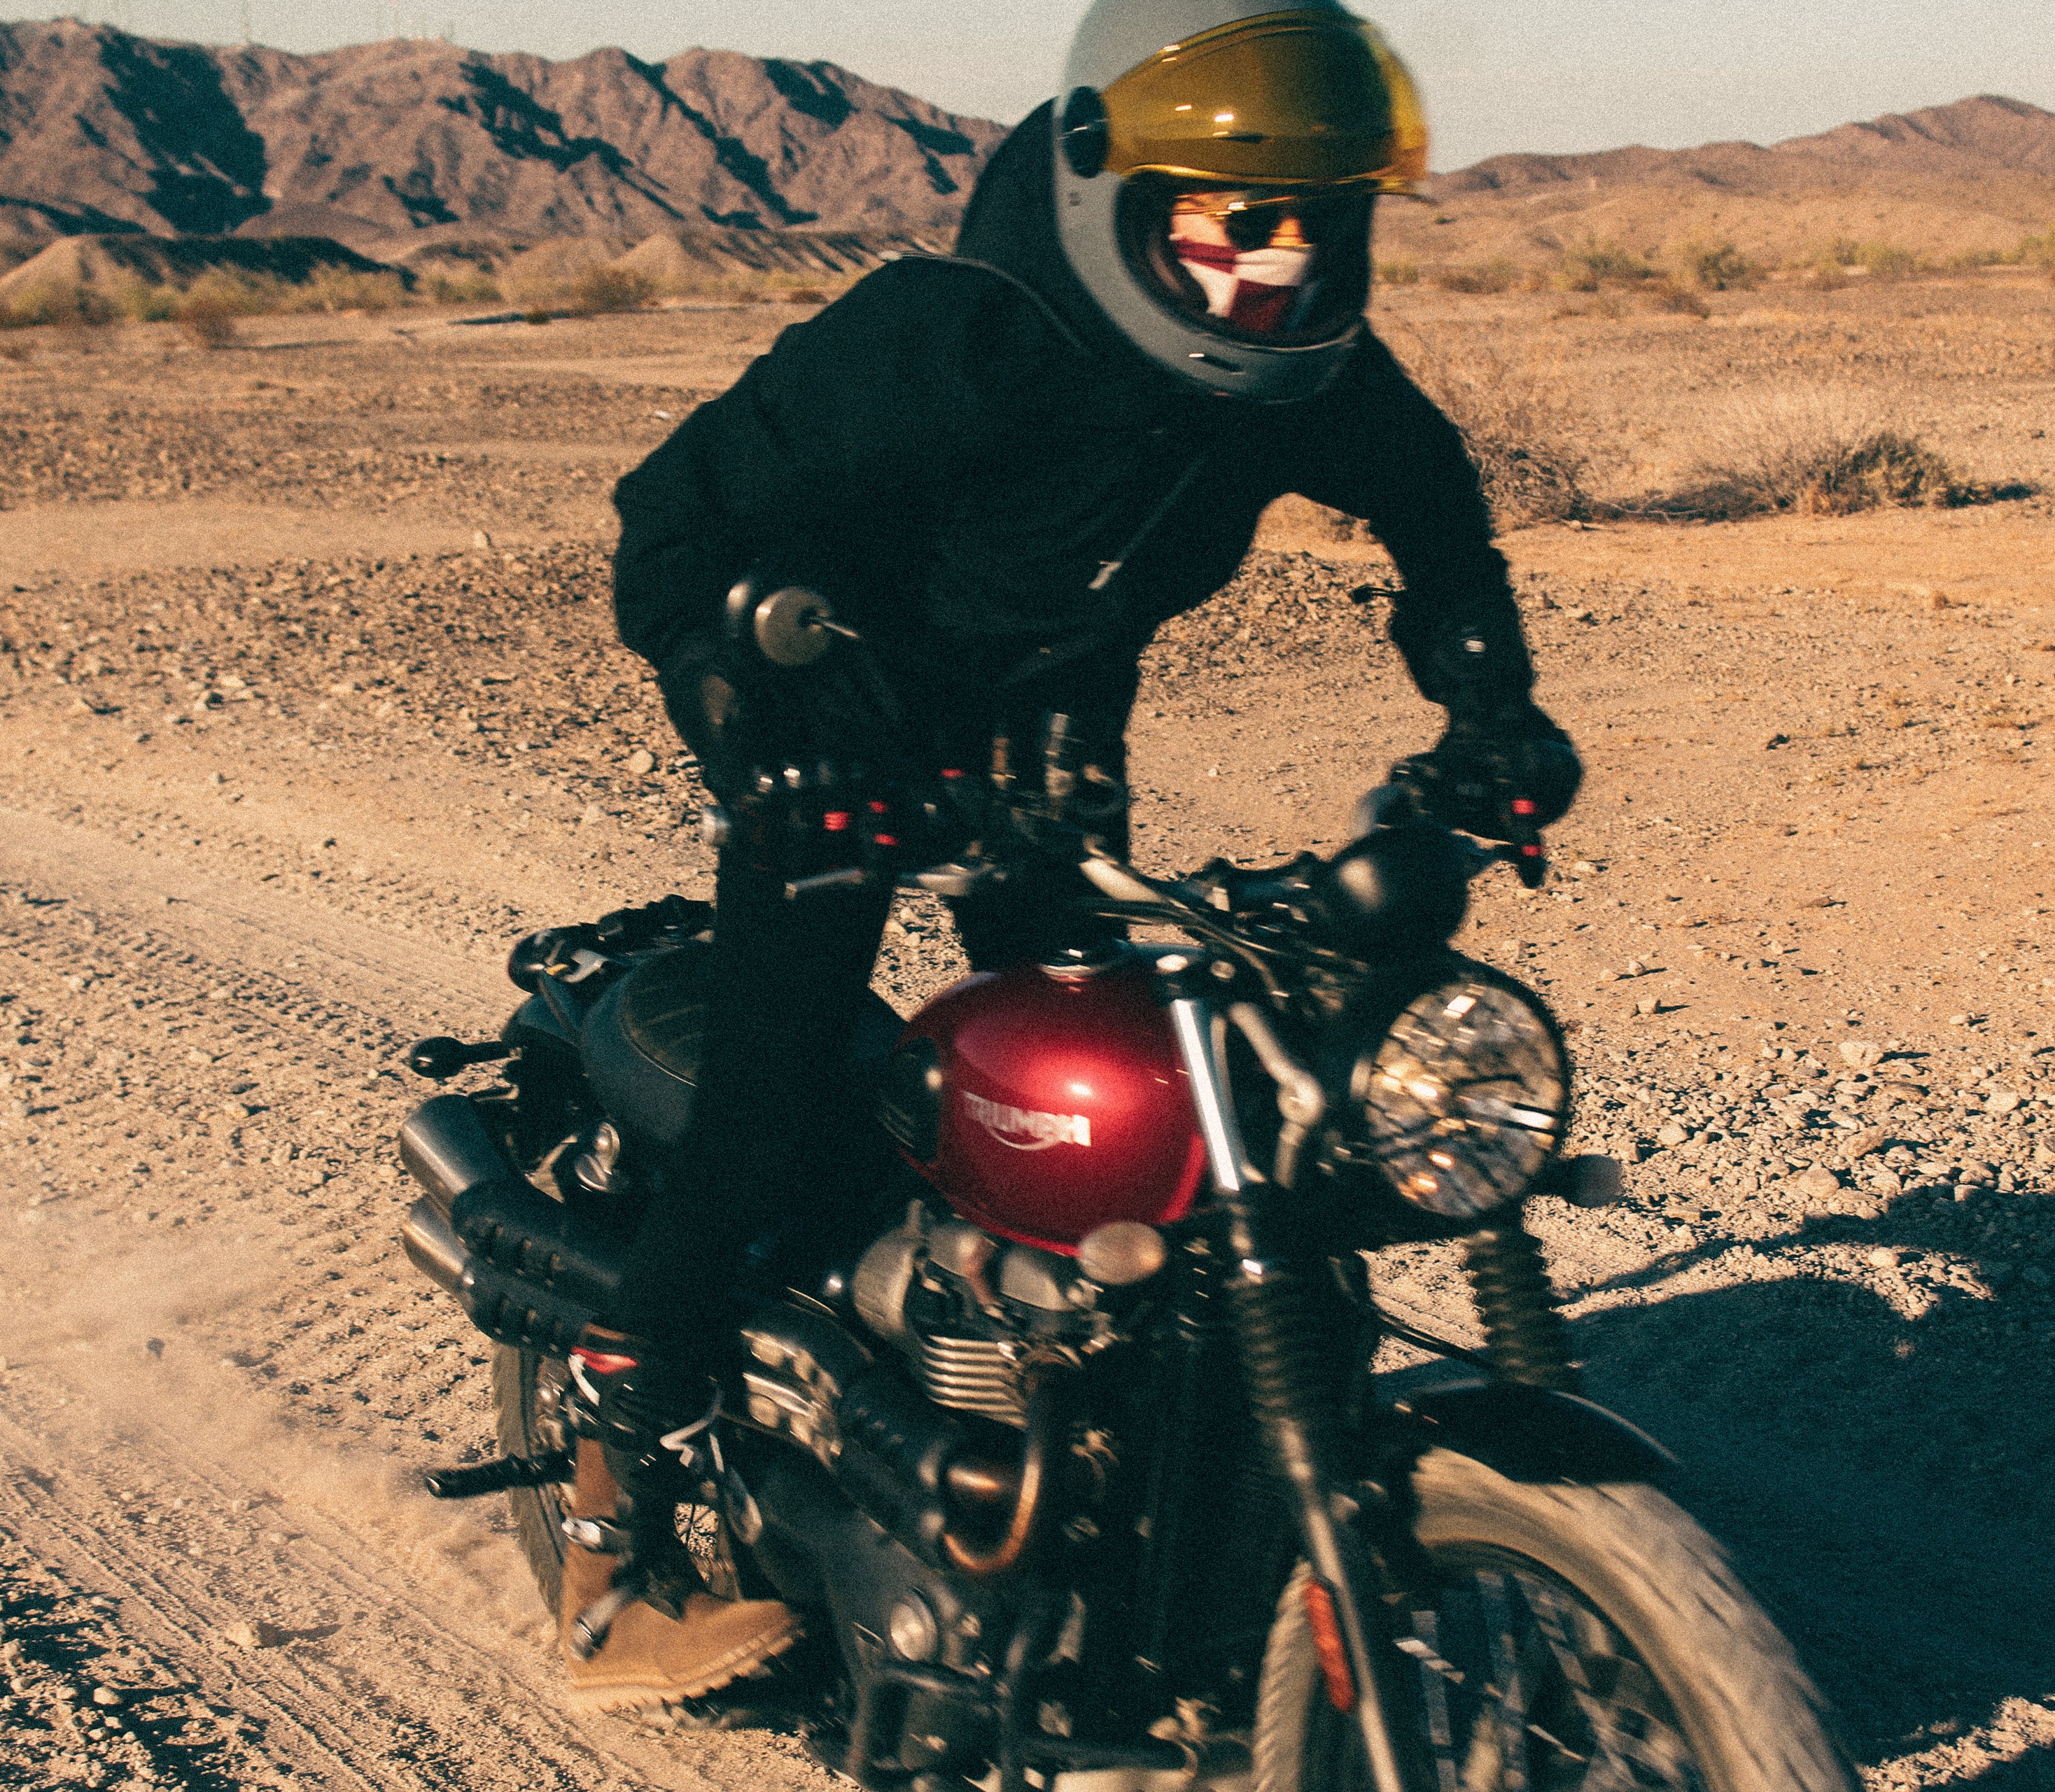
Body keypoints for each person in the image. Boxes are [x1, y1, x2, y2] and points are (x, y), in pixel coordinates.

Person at [561, 0, 1583, 1707]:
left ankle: (1078, 1446)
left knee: (1102, 1106)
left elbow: (1435, 512)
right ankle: (623, 1503)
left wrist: (1493, 709)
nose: (1278, 260)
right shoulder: (967, 341)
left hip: (1049, 741)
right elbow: (672, 526)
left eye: (1322, 221)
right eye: (1233, 218)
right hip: (841, 729)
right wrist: (770, 727)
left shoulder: (1311, 374)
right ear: (1123, 186)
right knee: (764, 1099)